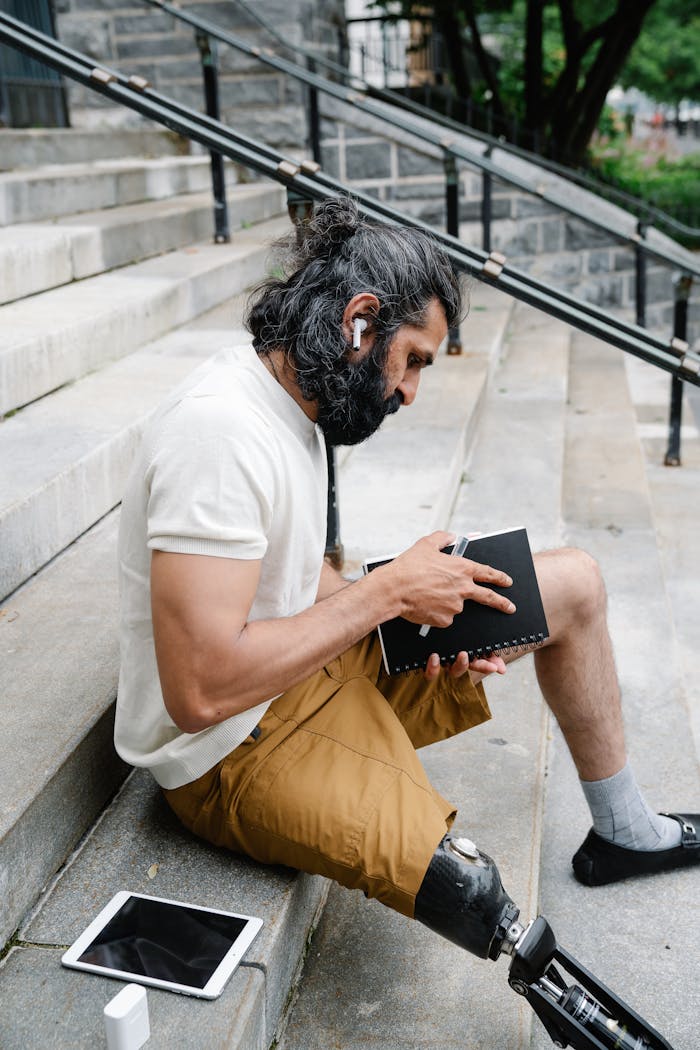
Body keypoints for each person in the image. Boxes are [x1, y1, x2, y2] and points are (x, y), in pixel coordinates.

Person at [115, 197, 698, 965]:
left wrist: (410, 585)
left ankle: (623, 831)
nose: (413, 391)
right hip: (231, 752)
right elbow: (199, 692)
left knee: (573, 585)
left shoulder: (296, 403)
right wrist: (387, 595)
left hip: (305, 665)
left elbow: (294, 582)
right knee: (472, 890)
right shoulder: (217, 434)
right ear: (359, 323)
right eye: (414, 359)